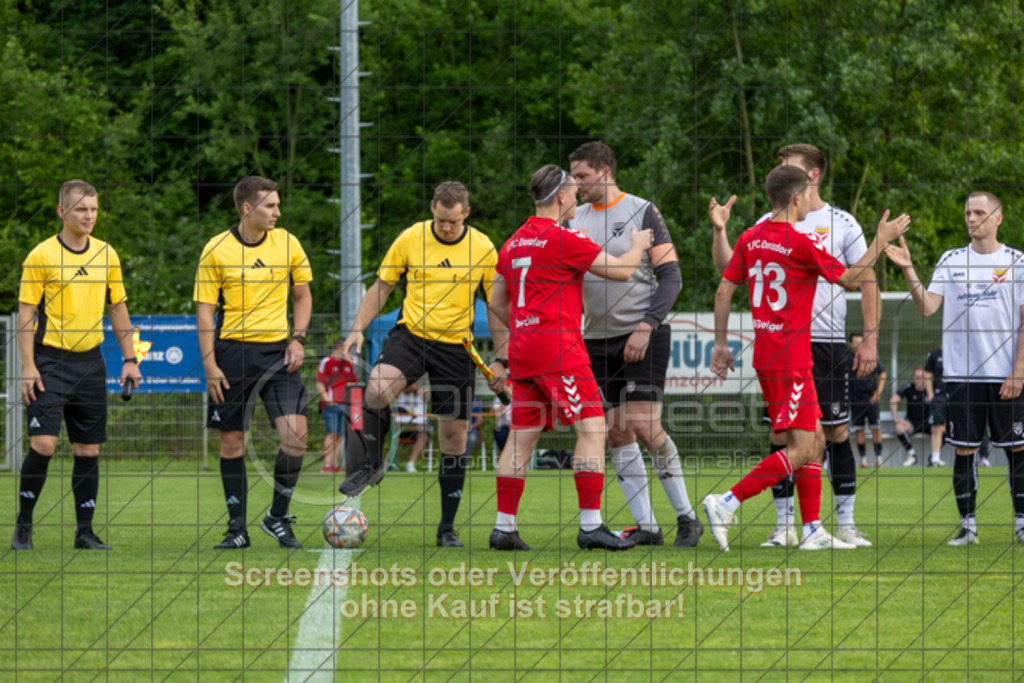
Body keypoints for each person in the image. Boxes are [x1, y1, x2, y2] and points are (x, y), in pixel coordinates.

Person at [703, 165, 909, 552]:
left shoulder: (750, 237)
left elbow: (723, 289)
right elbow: (850, 279)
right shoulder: (799, 242)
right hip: (791, 357)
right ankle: (726, 502)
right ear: (797, 198)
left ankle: (812, 529)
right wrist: (880, 241)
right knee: (800, 447)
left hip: (768, 352)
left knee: (813, 439)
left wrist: (720, 343)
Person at [487, 164, 653, 552]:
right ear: (560, 196)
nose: (577, 198)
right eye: (574, 193)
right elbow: (623, 271)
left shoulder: (512, 243)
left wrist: (525, 322)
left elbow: (496, 300)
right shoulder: (563, 239)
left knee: (520, 438)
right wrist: (639, 245)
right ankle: (591, 526)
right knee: (592, 429)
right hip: (559, 350)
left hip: (524, 350)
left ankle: (504, 528)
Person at [337, 181, 508, 548]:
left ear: (466, 213)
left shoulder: (482, 247)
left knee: (454, 438)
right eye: (441, 220)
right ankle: (370, 464)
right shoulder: (411, 237)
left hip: (456, 347)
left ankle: (447, 528)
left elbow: (495, 306)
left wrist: (503, 358)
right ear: (432, 208)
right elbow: (381, 287)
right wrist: (356, 330)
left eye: (453, 221)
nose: (446, 227)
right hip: (412, 336)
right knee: (377, 388)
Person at [567, 141, 703, 548]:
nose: (576, 184)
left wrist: (647, 325)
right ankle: (647, 526)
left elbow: (672, 276)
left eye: (582, 177)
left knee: (644, 426)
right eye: (573, 177)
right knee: (616, 433)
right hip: (594, 340)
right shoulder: (573, 218)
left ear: (605, 173)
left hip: (644, 335)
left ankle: (687, 518)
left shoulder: (643, 210)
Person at [885, 191, 1024, 545]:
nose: (971, 218)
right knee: (964, 450)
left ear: (997, 218)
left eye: (979, 212)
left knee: (1017, 449)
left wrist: (1019, 370)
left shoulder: (1017, 262)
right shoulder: (950, 260)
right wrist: (908, 268)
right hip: (963, 377)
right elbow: (928, 307)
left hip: (1006, 375)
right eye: (967, 212)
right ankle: (968, 527)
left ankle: (1022, 524)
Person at [12, 180, 143, 551]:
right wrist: (28, 365)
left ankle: (84, 532)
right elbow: (25, 313)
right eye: (82, 209)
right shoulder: (41, 256)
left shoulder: (106, 254)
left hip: (91, 362)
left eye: (95, 209)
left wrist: (130, 359)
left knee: (88, 449)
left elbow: (117, 308)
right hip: (49, 360)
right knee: (44, 443)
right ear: (62, 212)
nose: (90, 216)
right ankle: (24, 526)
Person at [194, 175, 313, 550]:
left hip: (278, 354)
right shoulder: (216, 250)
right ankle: (237, 529)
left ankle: (277, 517)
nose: (278, 212)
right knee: (232, 444)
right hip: (231, 353)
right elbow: (204, 313)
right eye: (270, 206)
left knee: (296, 436)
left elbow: (303, 296)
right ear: (248, 208)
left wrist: (298, 338)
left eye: (278, 205)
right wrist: (211, 365)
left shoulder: (288, 242)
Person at [316, 337, 357, 473]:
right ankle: (327, 465)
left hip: (344, 404)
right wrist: (326, 397)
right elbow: (319, 382)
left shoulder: (347, 364)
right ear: (341, 348)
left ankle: (334, 465)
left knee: (339, 435)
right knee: (331, 433)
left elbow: (353, 383)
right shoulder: (326, 362)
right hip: (331, 405)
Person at [848, 332, 887, 468]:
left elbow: (882, 373)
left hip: (871, 399)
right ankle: (863, 459)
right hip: (855, 400)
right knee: (858, 429)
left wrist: (878, 393)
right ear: (851, 344)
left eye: (861, 341)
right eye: (856, 342)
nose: (859, 344)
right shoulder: (847, 359)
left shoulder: (870, 356)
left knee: (875, 428)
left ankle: (879, 458)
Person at [890, 367, 932, 466]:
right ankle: (912, 455)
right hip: (912, 423)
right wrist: (896, 419)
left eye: (922, 377)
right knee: (899, 427)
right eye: (917, 377)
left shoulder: (931, 390)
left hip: (929, 423)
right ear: (913, 378)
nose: (919, 380)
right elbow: (893, 400)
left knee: (943, 429)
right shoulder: (909, 388)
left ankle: (934, 457)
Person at [393, 382, 430, 472]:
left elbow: (427, 390)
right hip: (400, 429)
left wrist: (418, 388)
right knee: (394, 429)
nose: (410, 386)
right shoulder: (399, 395)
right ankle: (391, 462)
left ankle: (410, 463)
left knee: (424, 435)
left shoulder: (421, 395)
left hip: (417, 429)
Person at [924, 344, 950, 467]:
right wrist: (930, 395)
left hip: (956, 394)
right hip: (939, 396)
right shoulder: (934, 354)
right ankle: (935, 458)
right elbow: (927, 375)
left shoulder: (959, 350)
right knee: (937, 427)